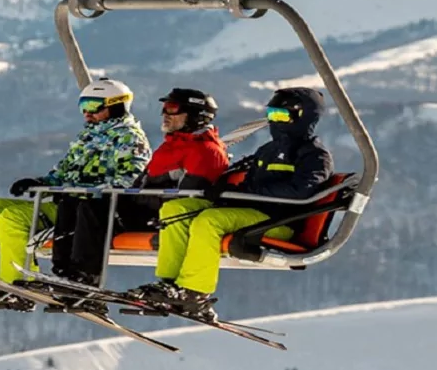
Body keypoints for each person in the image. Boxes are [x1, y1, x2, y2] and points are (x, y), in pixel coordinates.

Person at [0, 77, 148, 304]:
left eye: (93, 107)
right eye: (83, 107)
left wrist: (80, 190)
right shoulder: (89, 137)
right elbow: (63, 173)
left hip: (89, 209)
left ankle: (19, 283)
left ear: (115, 107)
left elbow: (129, 181)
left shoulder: (129, 139)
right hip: (65, 203)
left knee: (12, 217)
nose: (87, 114)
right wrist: (40, 181)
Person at [131, 86, 333, 321]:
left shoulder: (314, 155)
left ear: (303, 117)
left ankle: (195, 293)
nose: (275, 121)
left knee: (209, 221)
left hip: (279, 221)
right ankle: (169, 284)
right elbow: (245, 176)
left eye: (281, 115)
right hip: (248, 213)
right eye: (271, 114)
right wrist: (224, 187)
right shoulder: (268, 150)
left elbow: (300, 192)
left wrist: (250, 191)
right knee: (176, 209)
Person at [49, 87, 231, 288]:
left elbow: (189, 197)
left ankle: (85, 277)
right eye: (163, 109)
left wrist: (136, 199)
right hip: (144, 208)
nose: (165, 115)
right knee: (72, 203)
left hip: (160, 216)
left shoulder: (206, 151)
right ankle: (63, 270)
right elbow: (141, 183)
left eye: (171, 109)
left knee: (94, 208)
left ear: (197, 115)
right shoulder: (171, 146)